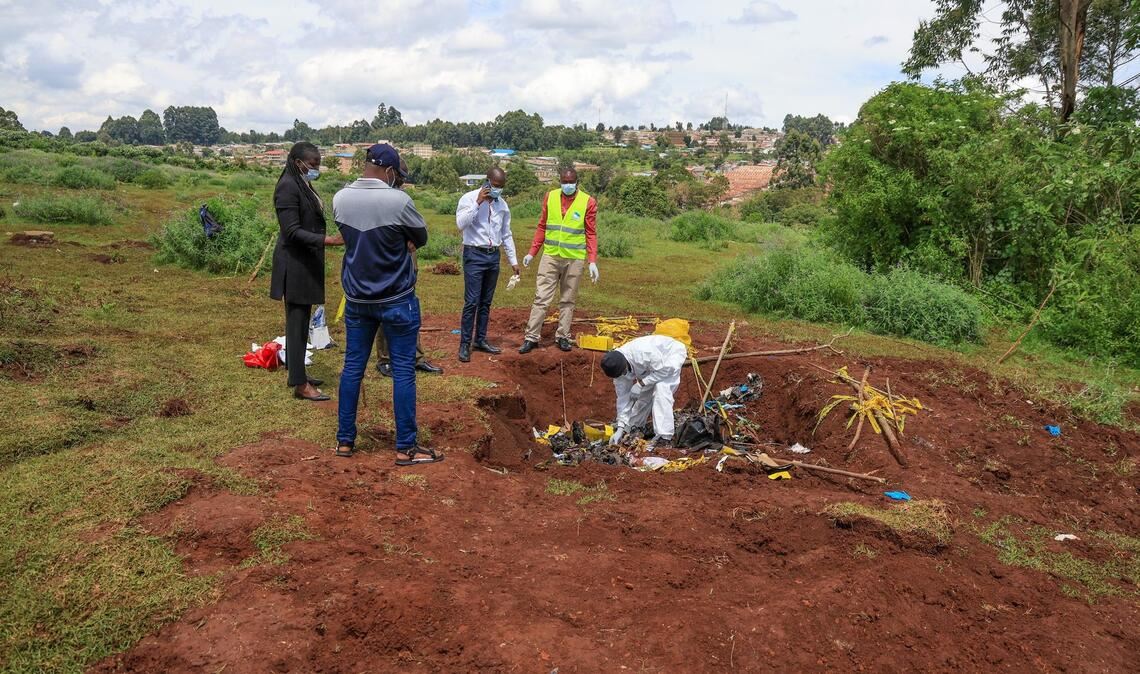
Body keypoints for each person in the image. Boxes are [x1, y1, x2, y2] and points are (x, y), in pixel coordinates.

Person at [332, 143, 442, 465]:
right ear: (391, 171)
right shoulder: (399, 200)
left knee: (353, 368)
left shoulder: (340, 198)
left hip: (357, 299)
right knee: (404, 370)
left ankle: (345, 442)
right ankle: (406, 447)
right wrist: (401, 239)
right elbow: (420, 238)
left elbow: (350, 237)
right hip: (396, 299)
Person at [269, 141, 343, 401]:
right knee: (297, 322)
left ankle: (297, 372)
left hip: (305, 262)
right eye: (312, 165)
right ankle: (300, 385)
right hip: (295, 264)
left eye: (317, 165)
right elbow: (291, 231)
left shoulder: (301, 182)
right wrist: (327, 241)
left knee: (301, 324)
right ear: (298, 162)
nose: (315, 169)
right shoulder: (288, 186)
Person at [519, 167, 599, 353]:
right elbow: (542, 226)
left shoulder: (588, 202)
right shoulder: (551, 197)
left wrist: (592, 260)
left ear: (577, 182)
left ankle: (563, 336)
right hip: (551, 255)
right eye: (565, 181)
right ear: (560, 181)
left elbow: (591, 232)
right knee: (542, 297)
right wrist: (532, 252)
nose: (568, 185)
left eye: (571, 182)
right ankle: (531, 337)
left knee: (568, 299)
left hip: (574, 258)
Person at [375, 158, 443, 377]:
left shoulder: (403, 199)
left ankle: (416, 357)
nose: (401, 182)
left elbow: (418, 228)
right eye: (400, 177)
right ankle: (385, 359)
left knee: (410, 309)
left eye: (403, 179)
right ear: (390, 173)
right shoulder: (376, 200)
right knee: (384, 311)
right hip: (384, 263)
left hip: (407, 262)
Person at [455, 167, 519, 362]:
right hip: (474, 254)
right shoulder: (468, 198)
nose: (498, 190)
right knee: (472, 301)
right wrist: (478, 203)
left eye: (501, 187)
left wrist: (513, 261)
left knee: (485, 302)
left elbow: (506, 234)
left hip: (493, 256)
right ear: (487, 181)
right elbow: (461, 224)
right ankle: (465, 344)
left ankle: (480, 339)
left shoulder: (503, 206)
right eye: (495, 186)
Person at [600, 335, 688, 447]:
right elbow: (623, 398)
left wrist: (642, 383)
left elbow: (666, 370)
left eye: (623, 372)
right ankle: (633, 428)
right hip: (651, 367)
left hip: (669, 358)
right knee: (642, 396)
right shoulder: (618, 371)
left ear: (625, 363)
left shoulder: (643, 353)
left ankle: (664, 436)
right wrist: (621, 428)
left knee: (661, 388)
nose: (623, 375)